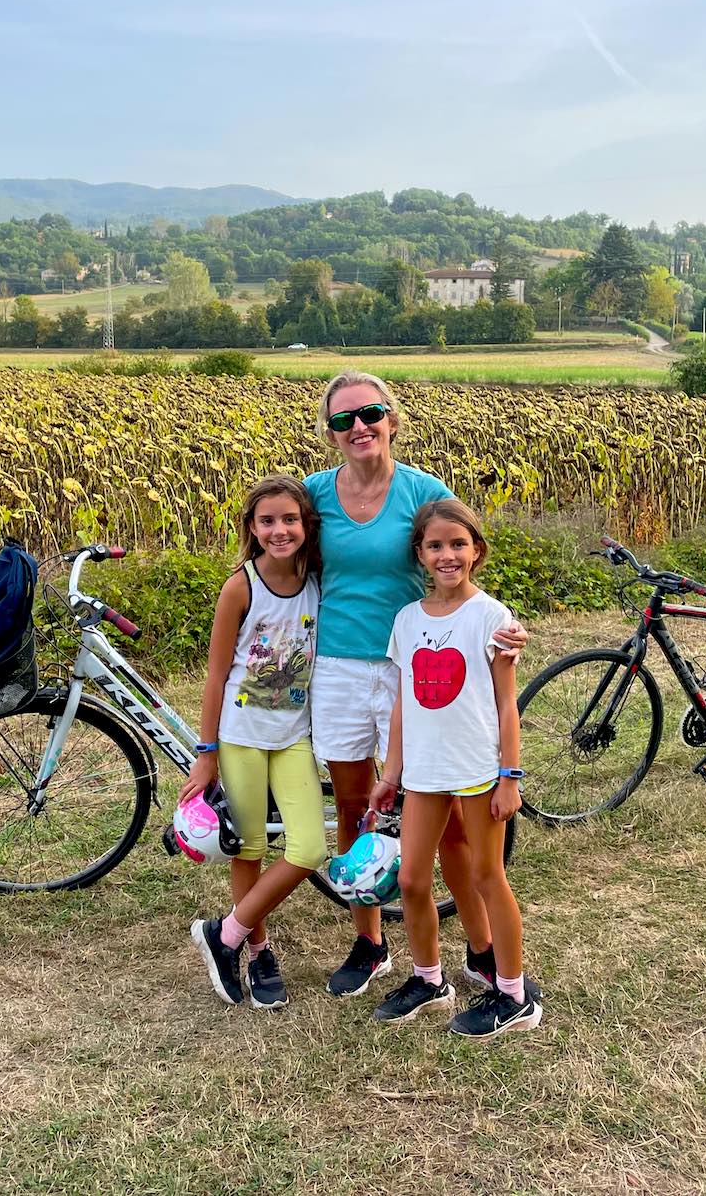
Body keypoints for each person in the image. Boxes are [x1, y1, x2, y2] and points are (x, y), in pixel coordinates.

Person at [305, 370, 526, 998]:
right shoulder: (316, 495)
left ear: (392, 419)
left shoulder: (422, 491)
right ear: (330, 432)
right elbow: (274, 552)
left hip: (415, 666)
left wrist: (508, 630)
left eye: (369, 413)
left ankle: (482, 950)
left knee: (454, 819)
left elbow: (458, 560)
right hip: (341, 669)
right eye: (344, 419)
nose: (359, 427)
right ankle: (370, 940)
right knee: (356, 808)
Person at [369, 498, 541, 1037]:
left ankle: (513, 995)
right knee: (414, 879)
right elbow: (403, 703)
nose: (448, 555)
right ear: (419, 553)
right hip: (423, 775)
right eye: (436, 546)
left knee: (488, 875)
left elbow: (505, 704)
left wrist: (509, 777)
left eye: (458, 544)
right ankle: (428, 979)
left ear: (477, 551)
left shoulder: (491, 617)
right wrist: (391, 774)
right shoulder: (407, 619)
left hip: (476, 772)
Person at [187, 476, 325, 1009]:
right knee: (248, 848)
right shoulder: (240, 587)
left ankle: (224, 933)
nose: (279, 530)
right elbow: (217, 674)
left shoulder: (316, 580)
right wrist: (206, 755)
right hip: (241, 737)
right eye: (266, 521)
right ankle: (259, 950)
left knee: (308, 848)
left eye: (289, 519)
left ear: (305, 525)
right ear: (252, 528)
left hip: (293, 737)